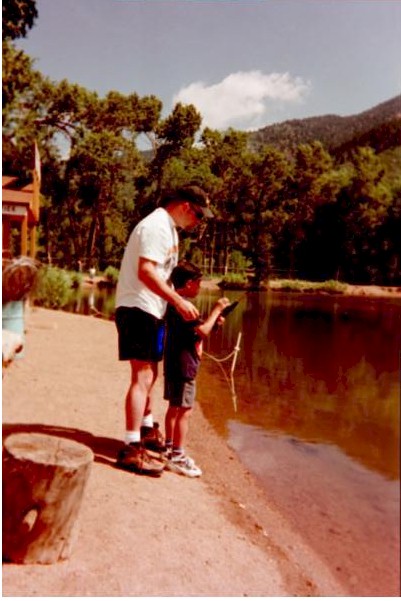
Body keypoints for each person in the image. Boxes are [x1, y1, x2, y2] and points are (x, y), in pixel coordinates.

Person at [115, 185, 213, 476]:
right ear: (184, 206)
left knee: (151, 374)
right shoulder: (156, 226)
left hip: (151, 309)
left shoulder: (169, 230)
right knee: (142, 376)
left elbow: (163, 276)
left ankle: (146, 428)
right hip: (138, 308)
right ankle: (132, 447)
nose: (199, 221)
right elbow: (146, 272)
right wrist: (179, 301)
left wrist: (180, 308)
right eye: (198, 214)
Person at [163, 261, 230, 477]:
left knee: (174, 407)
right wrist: (217, 309)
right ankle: (178, 455)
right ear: (190, 283)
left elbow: (192, 333)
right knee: (185, 410)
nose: (200, 287)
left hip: (173, 362)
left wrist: (215, 323)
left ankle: (169, 446)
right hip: (184, 366)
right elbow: (201, 332)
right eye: (199, 283)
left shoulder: (175, 304)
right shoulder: (186, 307)